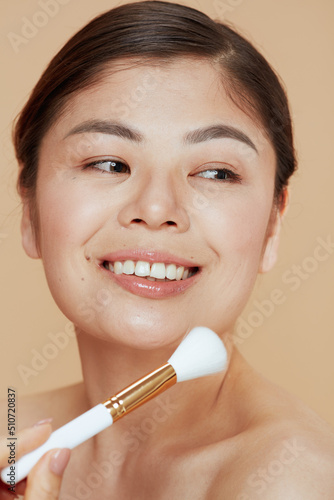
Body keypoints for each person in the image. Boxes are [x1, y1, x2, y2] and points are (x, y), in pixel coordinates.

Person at [1, 1, 334, 498]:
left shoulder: (292, 481)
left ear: (271, 226)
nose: (157, 208)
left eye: (216, 172)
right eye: (108, 163)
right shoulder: (11, 435)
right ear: (30, 210)